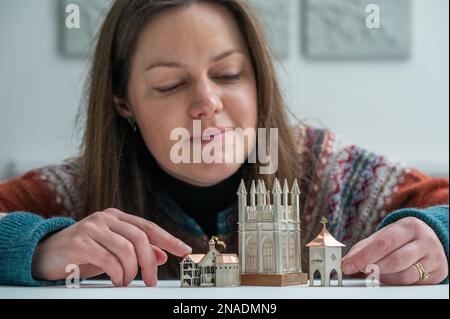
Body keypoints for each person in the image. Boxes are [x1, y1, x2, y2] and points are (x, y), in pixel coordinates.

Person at [0, 0, 448, 288]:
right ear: (124, 102)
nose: (206, 103)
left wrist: (437, 238)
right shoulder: (75, 191)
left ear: (258, 82)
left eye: (228, 74)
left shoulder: (334, 172)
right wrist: (36, 248)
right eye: (170, 84)